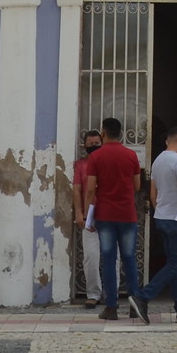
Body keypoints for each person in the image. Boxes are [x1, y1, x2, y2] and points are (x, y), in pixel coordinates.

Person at [132, 127, 177, 324]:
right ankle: (143, 296)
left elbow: (153, 194)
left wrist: (160, 211)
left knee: (172, 264)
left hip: (162, 217)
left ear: (167, 141)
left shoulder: (157, 161)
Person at [82, 115, 142, 321]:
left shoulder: (96, 157)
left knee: (108, 260)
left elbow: (90, 189)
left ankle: (111, 307)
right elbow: (137, 186)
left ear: (103, 133)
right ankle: (135, 305)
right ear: (121, 133)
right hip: (127, 214)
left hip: (105, 215)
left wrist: (87, 216)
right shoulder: (131, 155)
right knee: (129, 259)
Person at [73, 129, 104, 305]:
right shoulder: (81, 165)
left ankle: (111, 293)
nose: (93, 147)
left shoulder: (108, 162)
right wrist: (79, 212)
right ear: (84, 145)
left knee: (112, 257)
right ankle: (93, 294)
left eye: (97, 143)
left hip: (108, 214)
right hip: (89, 215)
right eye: (90, 144)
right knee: (91, 256)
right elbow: (77, 190)